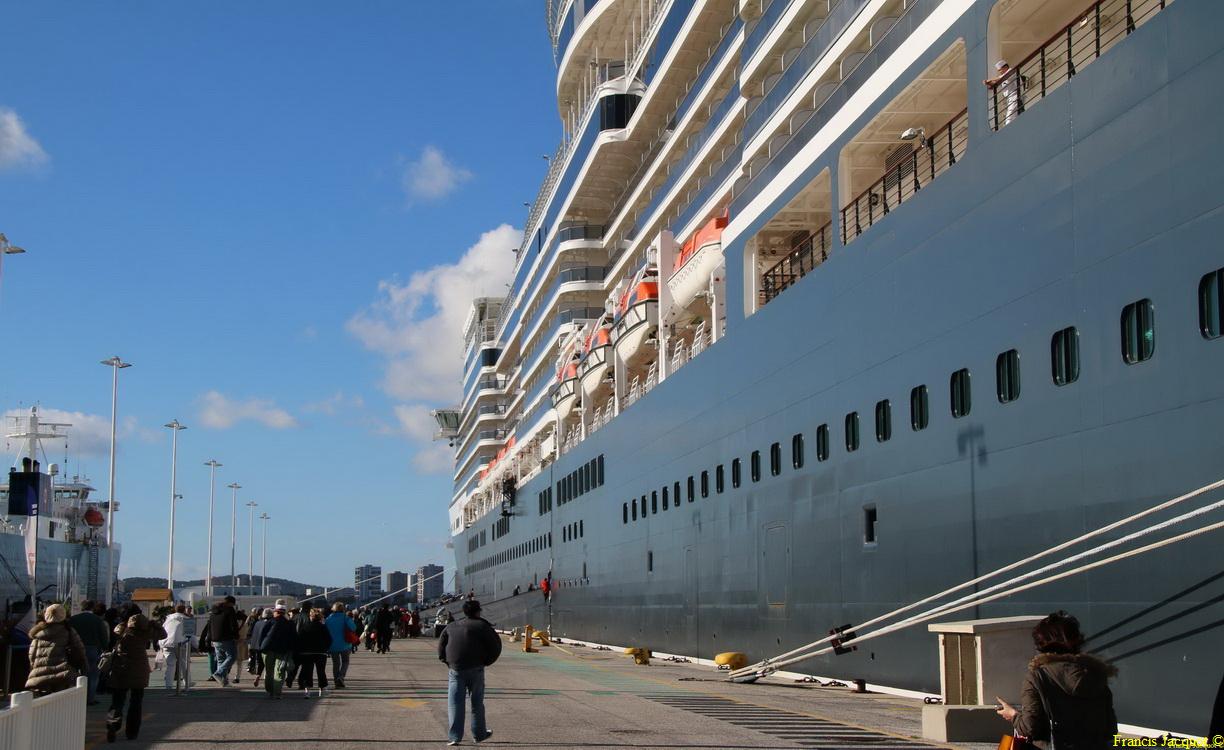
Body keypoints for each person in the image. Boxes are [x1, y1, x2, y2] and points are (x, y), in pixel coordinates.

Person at [996, 611, 1117, 748]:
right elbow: (1110, 729)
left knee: (1006, 744)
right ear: (1078, 640)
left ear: (1041, 645)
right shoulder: (1096, 674)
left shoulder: (1037, 677)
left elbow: (1030, 727)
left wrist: (1013, 715)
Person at [438, 600, 501, 746]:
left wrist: (447, 661)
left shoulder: (452, 625)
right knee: (477, 703)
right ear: (478, 612)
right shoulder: (483, 626)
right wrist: (486, 662)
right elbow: (496, 646)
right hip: (476, 668)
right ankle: (479, 734)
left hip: (456, 669)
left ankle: (454, 737)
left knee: (455, 703)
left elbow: (441, 644)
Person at [106, 612, 167, 743]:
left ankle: (113, 724)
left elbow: (114, 633)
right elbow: (163, 634)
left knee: (117, 701)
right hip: (139, 670)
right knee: (136, 702)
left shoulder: (123, 630)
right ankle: (132, 732)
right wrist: (155, 624)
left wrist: (123, 622)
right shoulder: (146, 633)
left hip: (121, 669)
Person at [26, 603, 87, 696]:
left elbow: (32, 656)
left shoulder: (38, 634)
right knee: (62, 704)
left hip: (40, 676)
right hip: (63, 674)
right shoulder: (68, 631)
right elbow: (80, 650)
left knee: (42, 705)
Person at [68, 599, 109, 705]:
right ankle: (89, 698)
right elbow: (103, 636)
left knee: (75, 672)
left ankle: (75, 696)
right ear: (92, 608)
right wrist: (105, 647)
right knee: (92, 674)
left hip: (75, 649)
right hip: (92, 649)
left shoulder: (73, 619)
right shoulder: (97, 620)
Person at [256, 605, 297, 698]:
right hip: (282, 650)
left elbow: (262, 635)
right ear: (284, 613)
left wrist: (260, 647)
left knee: (269, 670)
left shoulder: (270, 622)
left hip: (267, 648)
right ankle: (277, 692)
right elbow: (294, 638)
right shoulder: (290, 623)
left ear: (276, 612)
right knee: (279, 671)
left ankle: (270, 690)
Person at [295, 608, 332, 698]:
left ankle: (307, 691)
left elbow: (299, 639)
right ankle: (322, 689)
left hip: (307, 653)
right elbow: (329, 640)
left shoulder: (305, 627)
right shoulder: (323, 627)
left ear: (310, 617)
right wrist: (325, 648)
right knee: (321, 671)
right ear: (320, 618)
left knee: (307, 672)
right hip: (320, 653)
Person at [205, 595, 240, 685]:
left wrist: (210, 638)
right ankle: (218, 673)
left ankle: (224, 682)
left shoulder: (213, 611)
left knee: (221, 660)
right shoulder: (229, 610)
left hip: (215, 639)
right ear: (230, 603)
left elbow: (210, 625)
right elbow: (233, 624)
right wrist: (236, 636)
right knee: (232, 656)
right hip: (226, 637)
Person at [159, 604, 194, 691]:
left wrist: (160, 643)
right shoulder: (187, 619)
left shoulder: (168, 619)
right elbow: (191, 634)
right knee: (184, 664)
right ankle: (187, 684)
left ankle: (168, 685)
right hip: (181, 643)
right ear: (184, 610)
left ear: (175, 610)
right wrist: (197, 645)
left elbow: (162, 630)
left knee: (170, 665)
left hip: (166, 643)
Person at [324, 602, 355, 688]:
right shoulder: (345, 618)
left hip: (333, 645)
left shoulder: (328, 619)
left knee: (336, 664)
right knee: (345, 661)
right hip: (345, 644)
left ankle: (336, 681)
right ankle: (341, 677)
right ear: (343, 609)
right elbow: (353, 628)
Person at [984, 59, 1021, 126]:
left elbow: (1002, 78)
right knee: (1014, 113)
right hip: (1010, 97)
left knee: (1010, 115)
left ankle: (1008, 129)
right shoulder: (1003, 77)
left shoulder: (1011, 71)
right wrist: (988, 83)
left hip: (1015, 95)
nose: (1000, 72)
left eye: (1000, 70)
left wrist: (990, 79)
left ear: (1005, 67)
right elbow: (997, 82)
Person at [249, 608, 272, 687]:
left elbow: (254, 636)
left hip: (257, 647)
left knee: (260, 663)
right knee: (269, 664)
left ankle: (258, 676)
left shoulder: (258, 623)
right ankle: (267, 680)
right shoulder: (272, 623)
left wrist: (252, 647)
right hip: (268, 647)